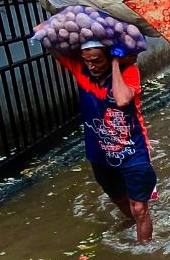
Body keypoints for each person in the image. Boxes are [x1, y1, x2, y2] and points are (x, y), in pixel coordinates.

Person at [54, 41, 157, 242]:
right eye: (87, 61)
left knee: (140, 208)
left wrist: (116, 64)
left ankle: (146, 251)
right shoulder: (82, 71)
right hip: (100, 152)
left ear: (109, 57)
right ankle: (134, 222)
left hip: (133, 151)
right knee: (117, 197)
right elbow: (51, 44)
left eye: (97, 61)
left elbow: (122, 100)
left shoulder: (129, 72)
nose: (91, 66)